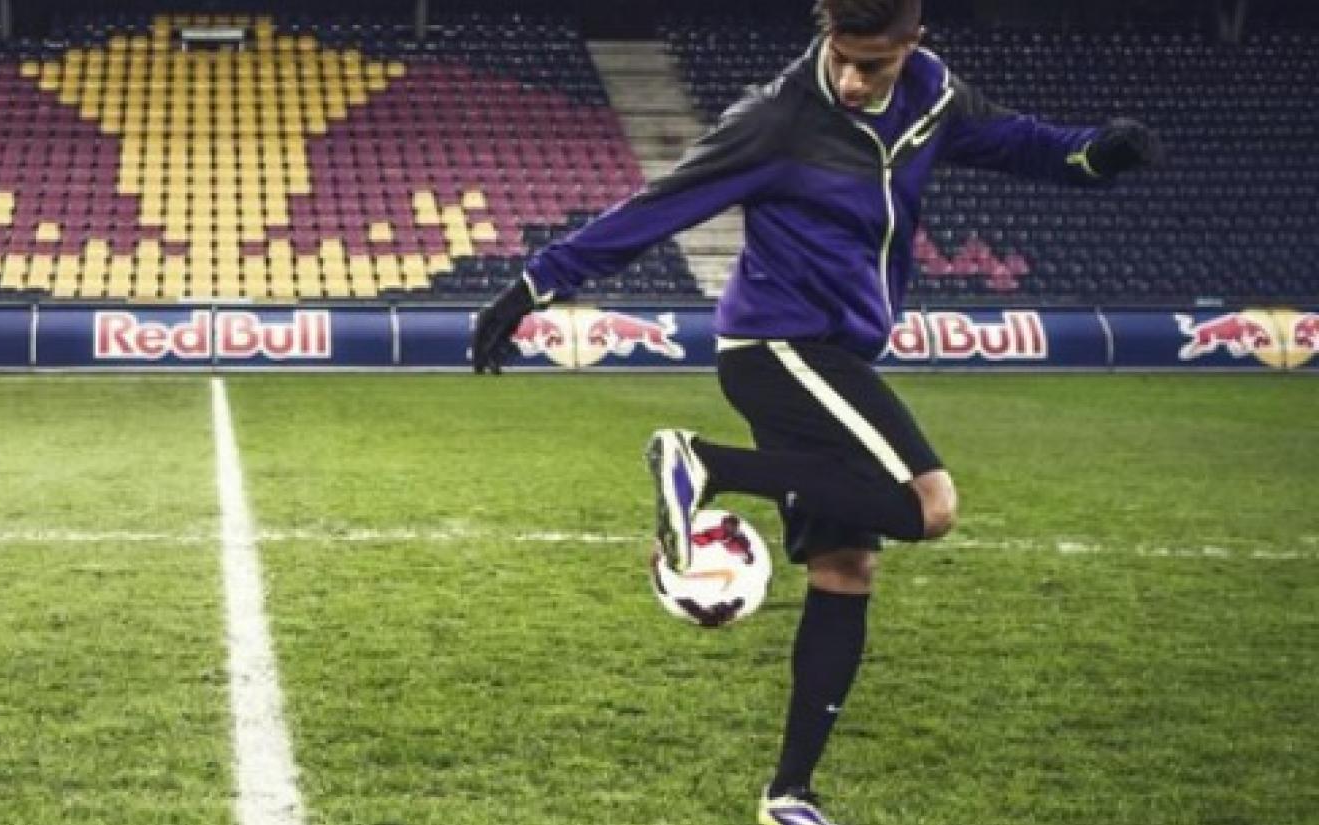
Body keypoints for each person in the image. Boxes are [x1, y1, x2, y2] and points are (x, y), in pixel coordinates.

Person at [468, 1, 1158, 822]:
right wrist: (529, 288)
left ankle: (787, 794)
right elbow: (659, 207)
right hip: (779, 350)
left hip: (831, 353)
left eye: (877, 63)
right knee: (928, 505)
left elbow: (1021, 144)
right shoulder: (779, 118)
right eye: (844, 57)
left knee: (845, 569)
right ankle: (705, 463)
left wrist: (1097, 155)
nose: (856, 79)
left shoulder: (933, 95)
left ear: (914, 43)